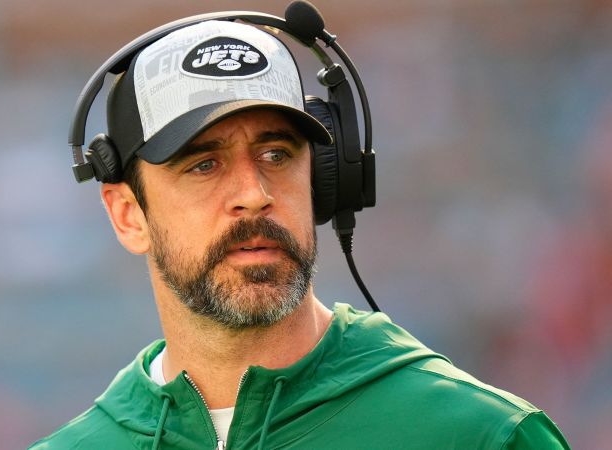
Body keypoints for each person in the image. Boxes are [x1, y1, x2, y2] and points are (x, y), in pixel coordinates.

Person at [30, 13, 570, 450]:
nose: (253, 193)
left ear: (324, 180)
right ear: (128, 215)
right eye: (204, 165)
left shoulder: (481, 436)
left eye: (276, 154)